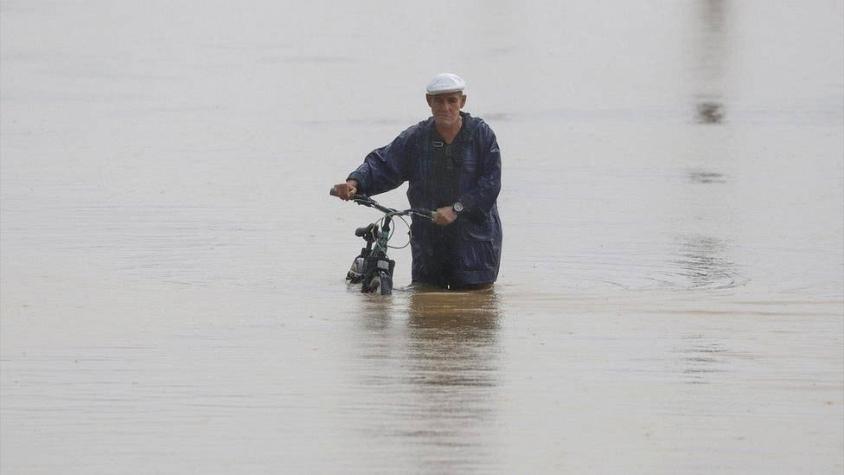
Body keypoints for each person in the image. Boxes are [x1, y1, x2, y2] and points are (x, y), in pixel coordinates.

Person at [332, 73, 502, 290]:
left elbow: (490, 184)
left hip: (475, 245)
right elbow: (383, 163)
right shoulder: (416, 138)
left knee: (473, 310)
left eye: (452, 100)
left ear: (463, 101)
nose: (446, 107)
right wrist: (355, 182)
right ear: (428, 102)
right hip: (429, 243)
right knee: (424, 306)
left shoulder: (481, 135)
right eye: (439, 101)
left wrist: (457, 208)